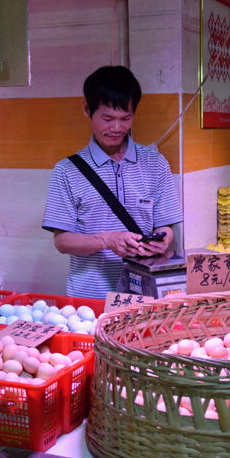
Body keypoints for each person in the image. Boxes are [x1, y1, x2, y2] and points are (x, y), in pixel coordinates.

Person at [42, 66, 182, 299]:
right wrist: (107, 240)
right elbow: (62, 241)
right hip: (90, 299)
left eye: (125, 118)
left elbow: (166, 227)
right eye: (108, 119)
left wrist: (163, 239)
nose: (117, 128)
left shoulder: (156, 164)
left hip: (144, 295)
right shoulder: (66, 171)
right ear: (87, 109)